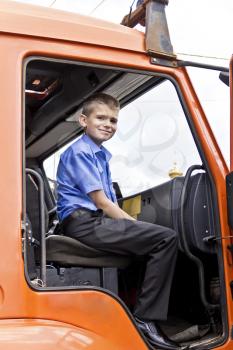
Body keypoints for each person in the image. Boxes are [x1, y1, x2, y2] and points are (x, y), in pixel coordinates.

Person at [56, 93, 180, 350]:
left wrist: (134, 227)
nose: (108, 124)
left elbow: (109, 203)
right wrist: (136, 226)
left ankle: (128, 313)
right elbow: (102, 202)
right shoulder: (80, 152)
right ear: (83, 120)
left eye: (113, 120)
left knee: (145, 245)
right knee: (166, 238)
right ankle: (145, 319)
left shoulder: (100, 155)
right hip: (84, 223)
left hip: (91, 221)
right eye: (100, 117)